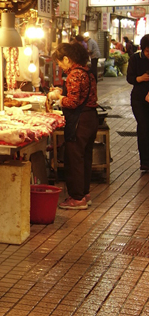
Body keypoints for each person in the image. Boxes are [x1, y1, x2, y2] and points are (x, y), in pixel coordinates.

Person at [47, 40, 98, 210]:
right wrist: (61, 92)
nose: (60, 65)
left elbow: (73, 102)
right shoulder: (86, 71)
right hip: (90, 119)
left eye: (60, 61)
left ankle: (76, 198)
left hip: (79, 122)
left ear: (67, 59)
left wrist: (58, 98)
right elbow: (81, 94)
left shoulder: (74, 74)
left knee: (74, 160)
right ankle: (84, 194)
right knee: (84, 158)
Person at [126, 33, 149, 172]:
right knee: (143, 127)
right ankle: (145, 161)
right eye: (147, 51)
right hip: (139, 99)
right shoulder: (135, 58)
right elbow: (130, 78)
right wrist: (140, 78)